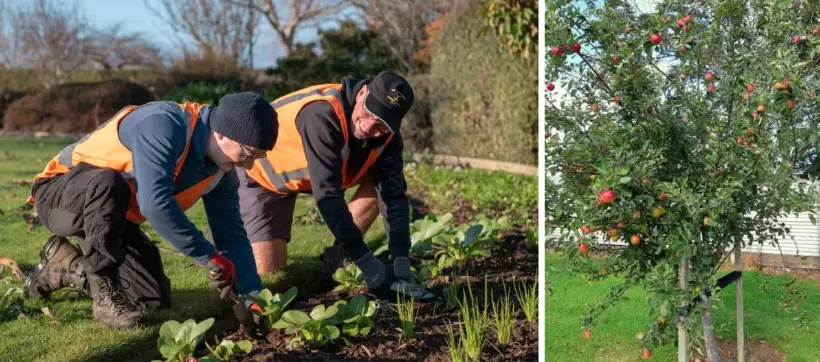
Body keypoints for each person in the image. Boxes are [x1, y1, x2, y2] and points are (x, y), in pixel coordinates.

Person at [23, 92, 277, 330]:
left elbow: (231, 234)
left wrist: (251, 294)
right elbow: (155, 204)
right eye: (248, 153)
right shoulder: (164, 125)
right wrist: (206, 255)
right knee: (108, 182)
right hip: (61, 196)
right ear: (223, 133)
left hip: (114, 218)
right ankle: (104, 297)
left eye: (258, 157)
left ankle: (64, 265)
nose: (249, 164)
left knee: (151, 299)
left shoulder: (222, 173)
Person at [238, 71, 434, 301]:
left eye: (381, 123)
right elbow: (328, 197)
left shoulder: (388, 137)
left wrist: (401, 262)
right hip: (263, 175)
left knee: (382, 181)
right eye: (370, 113)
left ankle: (339, 255)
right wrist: (369, 266)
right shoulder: (323, 114)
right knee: (269, 275)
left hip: (312, 175)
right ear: (362, 93)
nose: (370, 127)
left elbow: (394, 194)